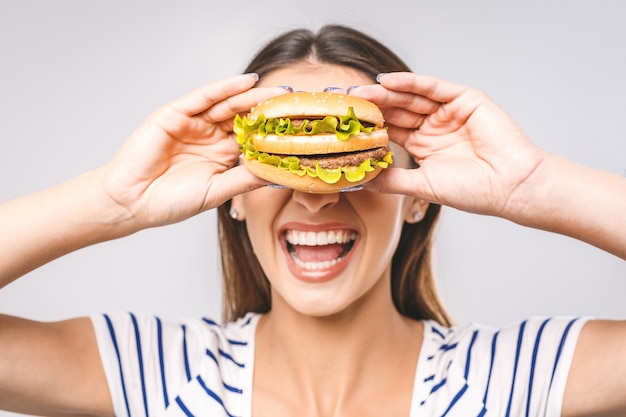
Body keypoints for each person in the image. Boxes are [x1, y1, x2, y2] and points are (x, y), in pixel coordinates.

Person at [1, 24, 625, 417]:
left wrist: (535, 185)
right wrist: (114, 199)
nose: (317, 198)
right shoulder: (154, 373)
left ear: (420, 193)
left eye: (359, 163)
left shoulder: (520, 378)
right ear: (232, 195)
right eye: (277, 163)